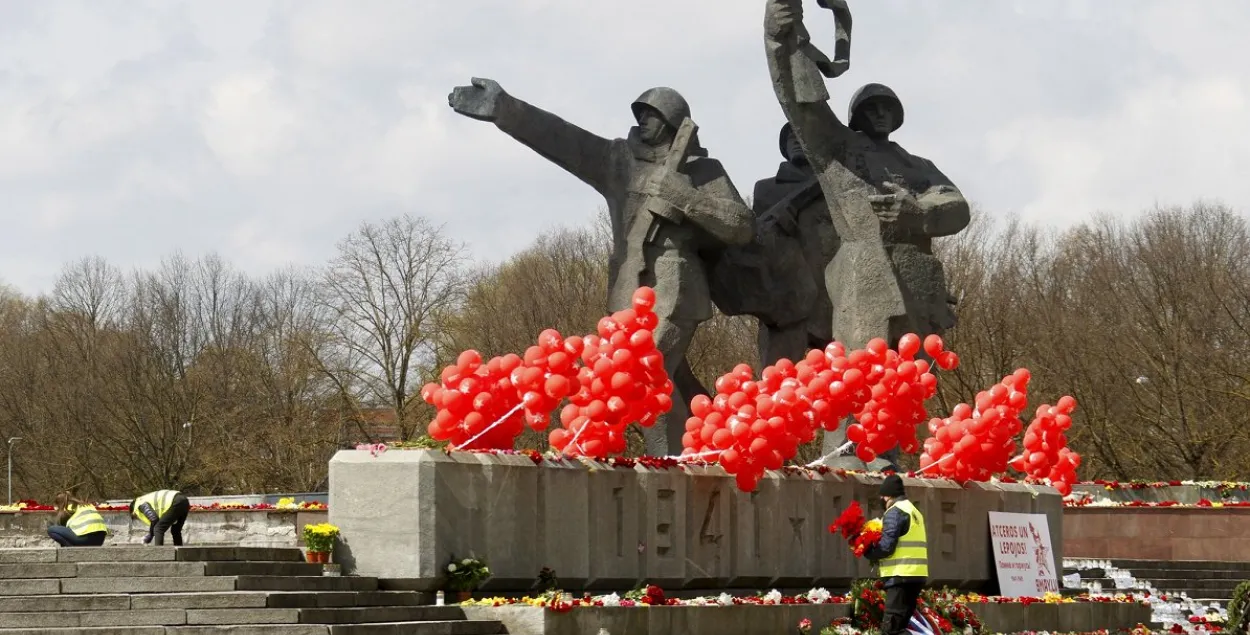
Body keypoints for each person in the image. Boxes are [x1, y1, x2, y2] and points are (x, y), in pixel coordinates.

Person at [448, 78, 754, 456]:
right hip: (628, 284)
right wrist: (506, 109)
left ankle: (667, 461)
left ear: (673, 122)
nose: (642, 120)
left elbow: (741, 225)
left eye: (652, 115)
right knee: (669, 379)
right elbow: (565, 140)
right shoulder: (619, 162)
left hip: (675, 283)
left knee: (645, 374)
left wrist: (685, 197)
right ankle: (721, 440)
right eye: (639, 113)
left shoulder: (704, 170)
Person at [864, 474, 929, 635]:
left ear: (888, 494)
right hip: (915, 577)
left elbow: (887, 547)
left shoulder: (895, 512)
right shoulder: (914, 511)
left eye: (882, 495)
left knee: (890, 629)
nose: (881, 499)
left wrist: (868, 551)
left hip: (900, 577)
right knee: (900, 628)